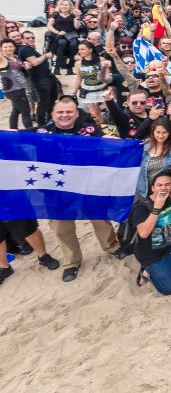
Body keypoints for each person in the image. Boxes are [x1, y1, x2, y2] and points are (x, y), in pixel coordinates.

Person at [36, 96, 123, 281]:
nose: (64, 115)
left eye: (69, 112)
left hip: (88, 186)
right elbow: (17, 137)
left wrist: (111, 141)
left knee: (100, 219)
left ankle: (112, 246)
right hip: (56, 190)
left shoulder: (89, 130)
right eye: (60, 112)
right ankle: (72, 262)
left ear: (76, 114)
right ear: (53, 114)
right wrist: (8, 133)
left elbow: (105, 145)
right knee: (61, 227)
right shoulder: (42, 132)